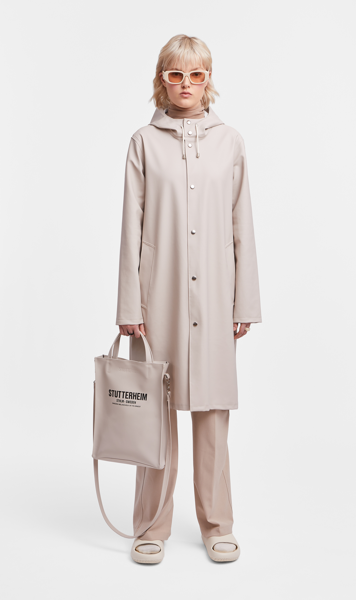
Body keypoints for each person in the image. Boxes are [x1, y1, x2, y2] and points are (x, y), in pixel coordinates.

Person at [115, 34, 262, 564]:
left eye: (196, 75)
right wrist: (129, 306)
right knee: (155, 415)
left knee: (213, 413)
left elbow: (242, 224)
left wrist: (245, 303)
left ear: (208, 79)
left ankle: (218, 524)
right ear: (163, 79)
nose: (186, 85)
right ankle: (150, 526)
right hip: (158, 299)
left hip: (217, 297)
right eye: (175, 74)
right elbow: (131, 228)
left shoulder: (231, 142)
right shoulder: (143, 142)